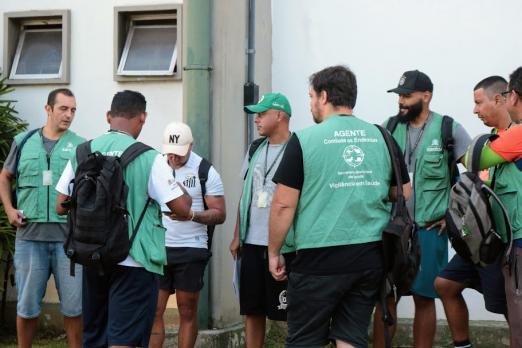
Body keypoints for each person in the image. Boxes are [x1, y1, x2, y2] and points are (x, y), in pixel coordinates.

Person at [268, 65, 411, 348]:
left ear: (323, 96)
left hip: (318, 259)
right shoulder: (381, 136)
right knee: (350, 336)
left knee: (304, 340)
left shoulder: (304, 140)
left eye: (310, 97)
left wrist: (274, 251)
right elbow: (403, 191)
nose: (310, 104)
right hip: (370, 255)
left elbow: (283, 205)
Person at [55, 90, 192, 348]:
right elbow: (183, 208)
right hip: (135, 261)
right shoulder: (150, 158)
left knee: (95, 337)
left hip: (92, 257)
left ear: (109, 116)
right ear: (142, 118)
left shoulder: (83, 151)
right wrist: (175, 183)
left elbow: (61, 205)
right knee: (124, 340)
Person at [373, 70, 472, 348]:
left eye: (407, 96)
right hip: (391, 229)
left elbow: (477, 174)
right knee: (386, 297)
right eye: (399, 96)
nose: (401, 101)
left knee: (424, 297)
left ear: (426, 96)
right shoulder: (388, 128)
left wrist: (453, 213)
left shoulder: (448, 129)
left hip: (429, 230)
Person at [0, 88, 84, 348]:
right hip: (30, 239)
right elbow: (5, 176)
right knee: (26, 307)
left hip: (68, 242)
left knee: (74, 308)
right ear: (48, 109)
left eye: (73, 110)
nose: (69, 115)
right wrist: (9, 210)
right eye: (63, 108)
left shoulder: (81, 146)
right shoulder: (23, 141)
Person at [434, 76, 510, 348]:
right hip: (478, 239)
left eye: (479, 103)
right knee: (445, 284)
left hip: (502, 244)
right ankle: (462, 345)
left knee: (511, 309)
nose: (475, 110)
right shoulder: (485, 142)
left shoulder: (516, 140)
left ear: (500, 99)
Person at [149, 122, 226, 348]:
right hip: (158, 246)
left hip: (191, 248)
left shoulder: (205, 171)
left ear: (190, 146)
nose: (173, 158)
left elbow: (220, 214)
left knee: (186, 310)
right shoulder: (156, 165)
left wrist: (192, 215)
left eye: (179, 154)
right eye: (169, 153)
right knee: (154, 309)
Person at [229, 92, 295, 348]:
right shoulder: (256, 148)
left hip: (284, 245)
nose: (256, 119)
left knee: (288, 309)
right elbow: (246, 194)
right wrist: (237, 234)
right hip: (251, 242)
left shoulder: (297, 148)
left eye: (262, 113)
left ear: (279, 116)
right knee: (253, 309)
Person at [470, 67, 522, 347]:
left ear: (511, 96)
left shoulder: (518, 134)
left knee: (519, 324)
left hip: (520, 242)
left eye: (478, 103)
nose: (475, 110)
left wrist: (485, 145)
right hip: (509, 239)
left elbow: (472, 160)